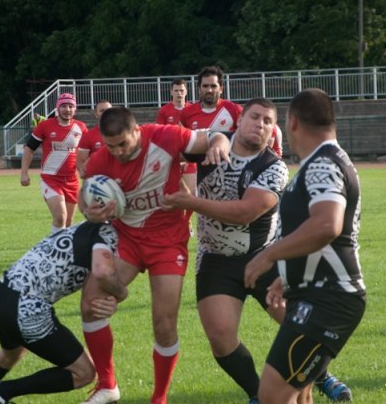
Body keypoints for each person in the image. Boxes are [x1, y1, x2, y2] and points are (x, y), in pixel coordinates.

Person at [163, 98, 351, 404]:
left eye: (267, 121)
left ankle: (321, 376)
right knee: (220, 338)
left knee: (301, 327)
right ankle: (257, 394)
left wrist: (190, 201)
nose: (260, 125)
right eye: (255, 117)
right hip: (216, 259)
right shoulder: (210, 145)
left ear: (273, 130)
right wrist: (209, 143)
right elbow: (168, 144)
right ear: (239, 120)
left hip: (266, 256)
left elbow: (244, 213)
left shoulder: (273, 167)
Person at [78, 107, 231, 404]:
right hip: (128, 241)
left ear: (137, 131)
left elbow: (213, 136)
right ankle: (107, 385)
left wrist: (219, 145)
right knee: (91, 303)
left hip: (167, 244)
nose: (118, 152)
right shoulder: (101, 160)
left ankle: (159, 398)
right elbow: (86, 195)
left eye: (123, 144)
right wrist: (90, 211)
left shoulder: (166, 136)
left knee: (164, 325)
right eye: (111, 146)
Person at [244, 88, 366, 404]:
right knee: (299, 394)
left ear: (293, 122)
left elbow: (327, 225)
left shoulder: (323, 163)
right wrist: (288, 276)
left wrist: (270, 254)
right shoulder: (324, 161)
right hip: (316, 294)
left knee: (273, 394)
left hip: (328, 300)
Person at [0, 221, 128, 404]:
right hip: (26, 308)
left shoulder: (89, 225)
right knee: (84, 373)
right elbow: (103, 272)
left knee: (11, 353)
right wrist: (122, 294)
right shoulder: (108, 232)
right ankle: (0, 392)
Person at [20, 93, 88, 234]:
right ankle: (52, 246)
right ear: (57, 108)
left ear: (75, 109)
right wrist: (24, 173)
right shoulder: (45, 126)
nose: (67, 109)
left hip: (72, 180)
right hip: (50, 179)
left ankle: (61, 247)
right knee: (60, 218)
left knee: (68, 223)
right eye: (64, 106)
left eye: (71, 106)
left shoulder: (81, 127)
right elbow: (29, 149)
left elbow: (87, 152)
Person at [180, 66, 283, 157]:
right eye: (205, 86)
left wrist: (276, 151)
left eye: (213, 86)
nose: (209, 90)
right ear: (199, 88)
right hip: (199, 169)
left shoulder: (234, 109)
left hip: (229, 166)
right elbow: (180, 140)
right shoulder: (186, 113)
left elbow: (273, 128)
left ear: (221, 88)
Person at [156, 78, 196, 224]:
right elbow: (159, 137)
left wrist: (187, 159)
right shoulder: (164, 111)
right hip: (170, 159)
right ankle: (177, 222)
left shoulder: (193, 110)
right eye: (176, 90)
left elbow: (195, 135)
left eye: (181, 90)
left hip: (190, 157)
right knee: (173, 194)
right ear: (171, 92)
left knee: (191, 194)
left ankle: (187, 222)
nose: (179, 93)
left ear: (186, 92)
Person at [77, 100, 113, 179]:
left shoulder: (123, 133)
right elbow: (81, 167)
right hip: (98, 181)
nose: (106, 113)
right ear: (96, 114)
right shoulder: (88, 136)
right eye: (102, 111)